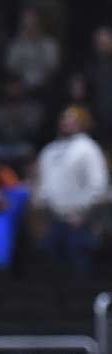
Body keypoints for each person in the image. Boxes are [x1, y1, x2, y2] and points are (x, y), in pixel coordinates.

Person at [34, 106, 109, 271]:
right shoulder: (50, 150)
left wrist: (84, 214)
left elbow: (98, 187)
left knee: (79, 266)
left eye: (72, 119)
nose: (67, 122)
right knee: (51, 268)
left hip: (80, 220)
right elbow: (42, 185)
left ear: (83, 122)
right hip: (53, 219)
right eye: (64, 118)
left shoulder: (89, 149)